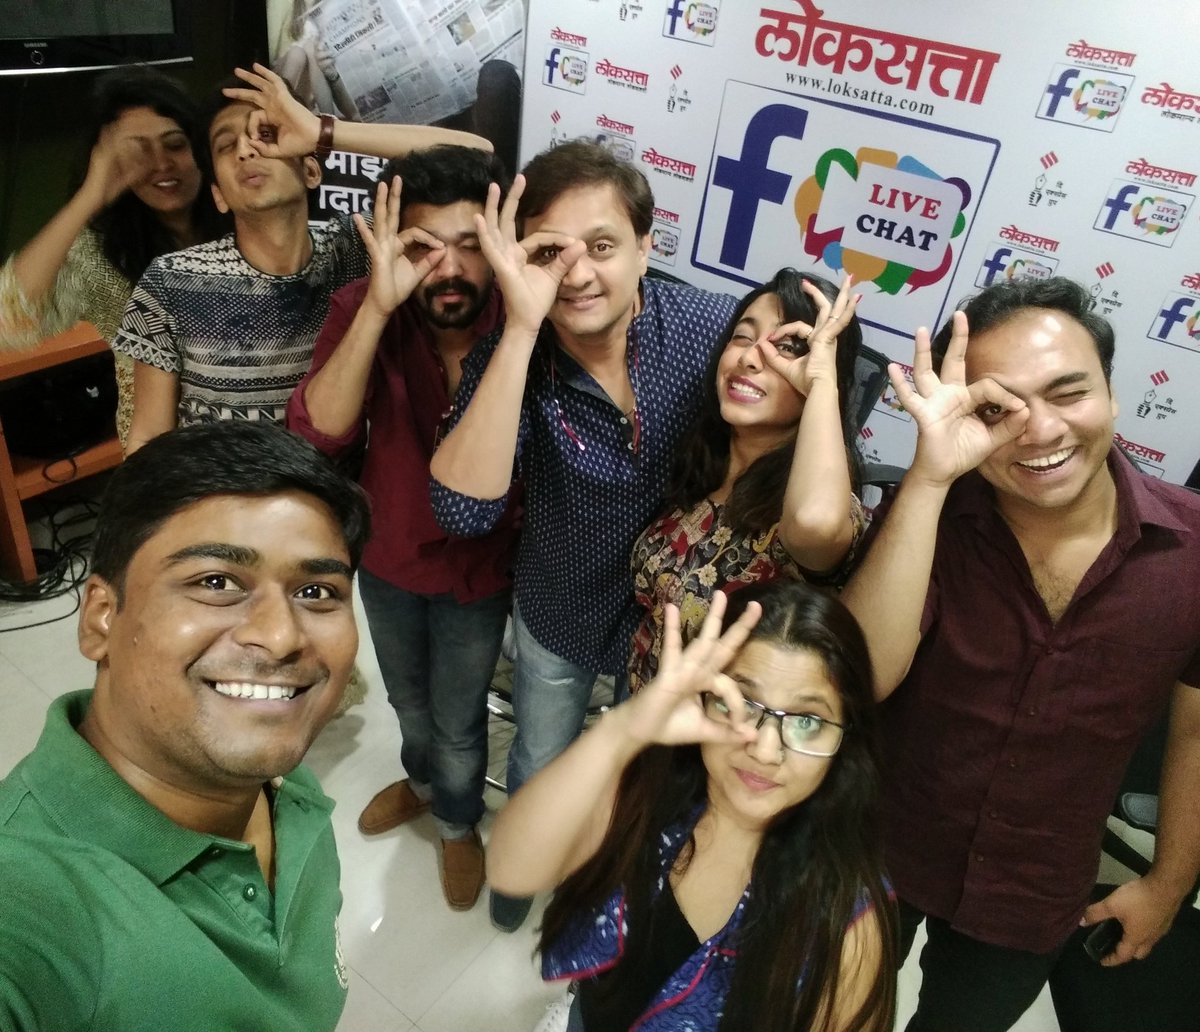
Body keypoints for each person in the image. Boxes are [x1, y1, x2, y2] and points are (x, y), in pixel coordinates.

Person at [840, 277, 1200, 1032]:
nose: (1039, 430)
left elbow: (1197, 731)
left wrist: (1169, 884)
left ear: (1112, 393)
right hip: (876, 848)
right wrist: (929, 478)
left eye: (1068, 393)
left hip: (1033, 889)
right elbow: (859, 677)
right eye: (996, 409)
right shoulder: (930, 515)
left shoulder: (1192, 552)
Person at [429, 140, 738, 929]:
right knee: (540, 754)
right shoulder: (513, 354)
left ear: (645, 247)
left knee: (642, 773)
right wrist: (521, 326)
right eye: (549, 251)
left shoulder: (710, 327)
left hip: (670, 622)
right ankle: (520, 873)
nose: (576, 274)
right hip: (558, 603)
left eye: (602, 246)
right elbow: (463, 510)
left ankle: (603, 882)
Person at [0, 420, 371, 1030]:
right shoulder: (29, 908)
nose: (281, 636)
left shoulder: (284, 787)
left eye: (315, 591)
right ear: (100, 618)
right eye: (216, 582)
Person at [488, 581, 897, 1032]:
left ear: (845, 738)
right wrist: (623, 730)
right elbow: (511, 870)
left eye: (806, 721)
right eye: (742, 703)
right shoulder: (648, 791)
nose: (765, 750)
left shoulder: (845, 921)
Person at [288, 145, 518, 911]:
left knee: (458, 719)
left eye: (469, 245)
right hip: (387, 559)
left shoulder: (521, 314)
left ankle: (456, 820)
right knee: (408, 702)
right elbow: (319, 432)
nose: (448, 268)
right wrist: (380, 306)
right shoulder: (364, 306)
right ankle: (422, 785)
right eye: (424, 246)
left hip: (479, 570)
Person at [112, 62, 490, 454]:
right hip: (219, 488)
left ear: (311, 170)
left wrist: (320, 131)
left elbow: (476, 154)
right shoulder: (171, 280)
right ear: (219, 195)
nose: (246, 150)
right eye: (226, 146)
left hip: (335, 485)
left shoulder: (361, 248)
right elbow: (148, 438)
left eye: (266, 135)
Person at [629, 269, 865, 694]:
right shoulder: (705, 458)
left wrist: (820, 383)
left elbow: (814, 522)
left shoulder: (813, 504)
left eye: (788, 348)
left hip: (717, 731)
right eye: (742, 337)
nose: (752, 358)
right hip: (642, 708)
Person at [0, 65, 225, 444]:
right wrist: (91, 196)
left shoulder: (244, 223)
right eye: (138, 151)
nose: (161, 164)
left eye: (174, 144)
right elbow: (7, 322)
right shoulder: (102, 255)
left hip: (255, 438)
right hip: (158, 451)